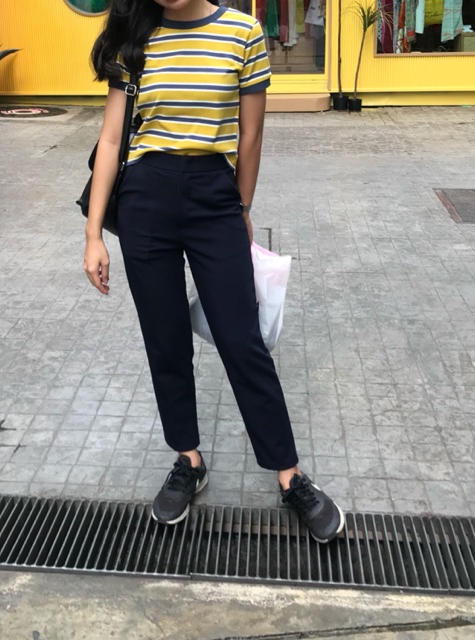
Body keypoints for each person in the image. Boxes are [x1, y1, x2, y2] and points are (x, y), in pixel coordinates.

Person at [83, 0, 344, 544]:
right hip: (146, 200)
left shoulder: (242, 33)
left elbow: (250, 136)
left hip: (214, 198)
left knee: (241, 338)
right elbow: (110, 138)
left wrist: (241, 208)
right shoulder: (138, 36)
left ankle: (289, 474)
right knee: (165, 339)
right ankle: (189, 459)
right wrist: (93, 236)